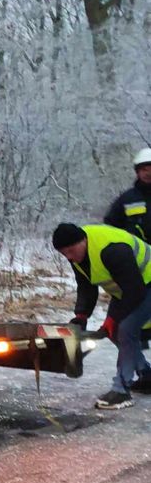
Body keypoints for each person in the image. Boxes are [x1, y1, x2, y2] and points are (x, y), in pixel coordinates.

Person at [52, 222, 151, 409]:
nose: (69, 257)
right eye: (64, 254)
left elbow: (135, 291)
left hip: (144, 284)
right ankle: (146, 375)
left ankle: (121, 391)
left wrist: (113, 319)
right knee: (113, 331)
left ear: (83, 240)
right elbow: (87, 287)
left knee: (126, 329)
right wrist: (81, 316)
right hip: (128, 288)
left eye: (71, 251)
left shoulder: (112, 250)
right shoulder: (77, 255)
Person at [104, 147, 151, 239]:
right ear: (137, 172)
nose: (148, 174)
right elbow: (110, 227)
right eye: (144, 170)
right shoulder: (126, 199)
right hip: (137, 252)